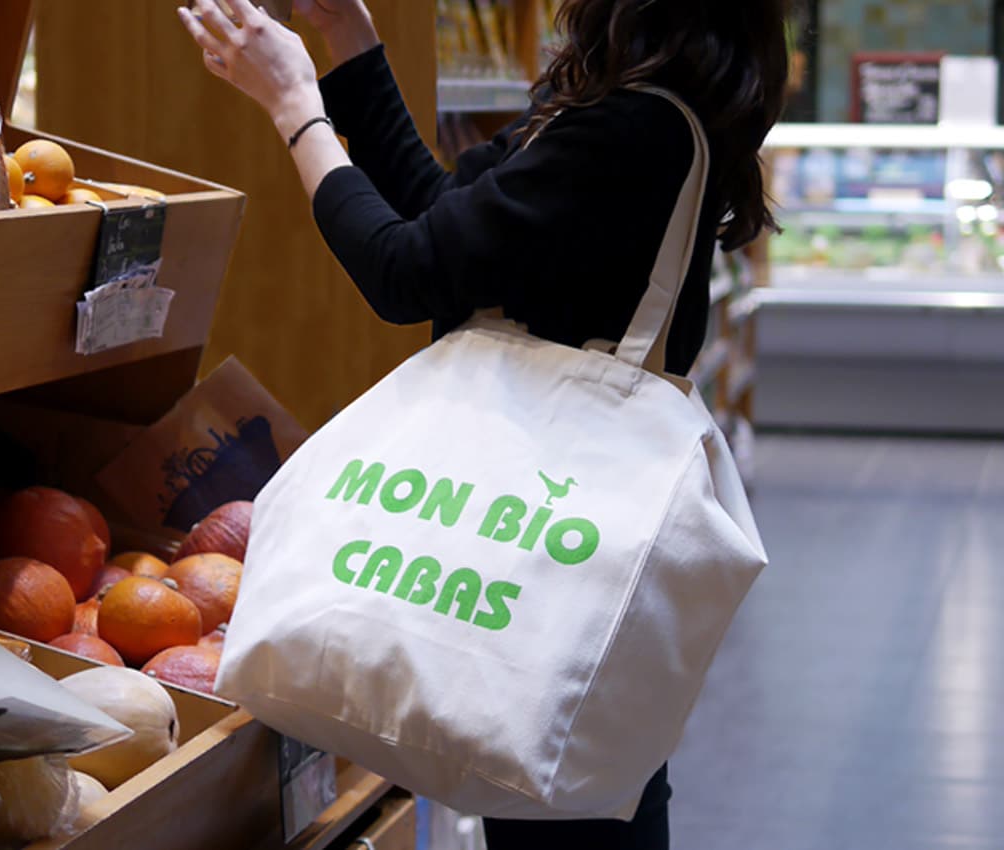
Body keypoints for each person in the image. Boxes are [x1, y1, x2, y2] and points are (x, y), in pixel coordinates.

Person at [177, 0, 788, 846]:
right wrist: (351, 42)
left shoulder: (632, 127)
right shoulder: (638, 106)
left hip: (542, 521)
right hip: (546, 526)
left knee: (562, 790)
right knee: (565, 760)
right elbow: (442, 221)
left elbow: (404, 270)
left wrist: (295, 109)